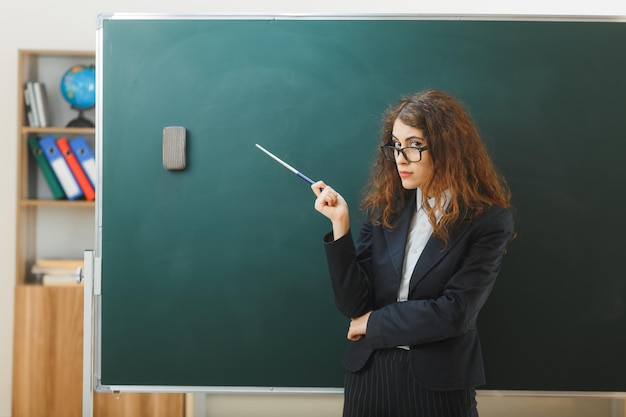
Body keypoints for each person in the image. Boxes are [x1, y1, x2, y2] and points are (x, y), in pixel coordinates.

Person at [311, 90, 514, 417]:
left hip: (440, 384)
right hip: (369, 377)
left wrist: (373, 322)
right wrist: (340, 227)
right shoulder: (385, 208)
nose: (401, 158)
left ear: (448, 149)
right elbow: (353, 306)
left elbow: (455, 312)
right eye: (395, 145)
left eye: (415, 145)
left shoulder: (487, 221)